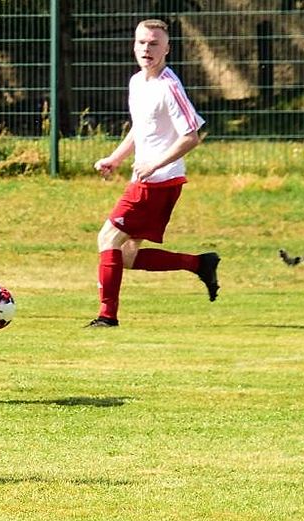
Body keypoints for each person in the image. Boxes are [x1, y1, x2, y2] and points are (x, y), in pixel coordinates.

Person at [89, 19, 220, 327]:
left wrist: (154, 164)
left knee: (107, 238)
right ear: (134, 45)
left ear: (167, 49)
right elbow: (141, 128)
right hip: (147, 179)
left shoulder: (169, 87)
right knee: (126, 256)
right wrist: (116, 158)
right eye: (142, 43)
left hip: (159, 182)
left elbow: (192, 136)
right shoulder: (137, 82)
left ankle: (107, 317)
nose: (147, 49)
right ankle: (201, 264)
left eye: (154, 44)